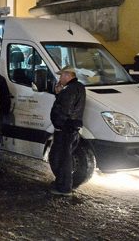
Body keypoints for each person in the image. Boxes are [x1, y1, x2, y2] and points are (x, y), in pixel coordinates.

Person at [49, 66, 86, 196]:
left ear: (67, 75)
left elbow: (65, 109)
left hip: (65, 129)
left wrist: (60, 123)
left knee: (62, 158)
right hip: (72, 127)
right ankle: (61, 183)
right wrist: (59, 93)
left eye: (61, 76)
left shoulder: (70, 90)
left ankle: (64, 187)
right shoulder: (79, 87)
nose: (59, 79)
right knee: (62, 156)